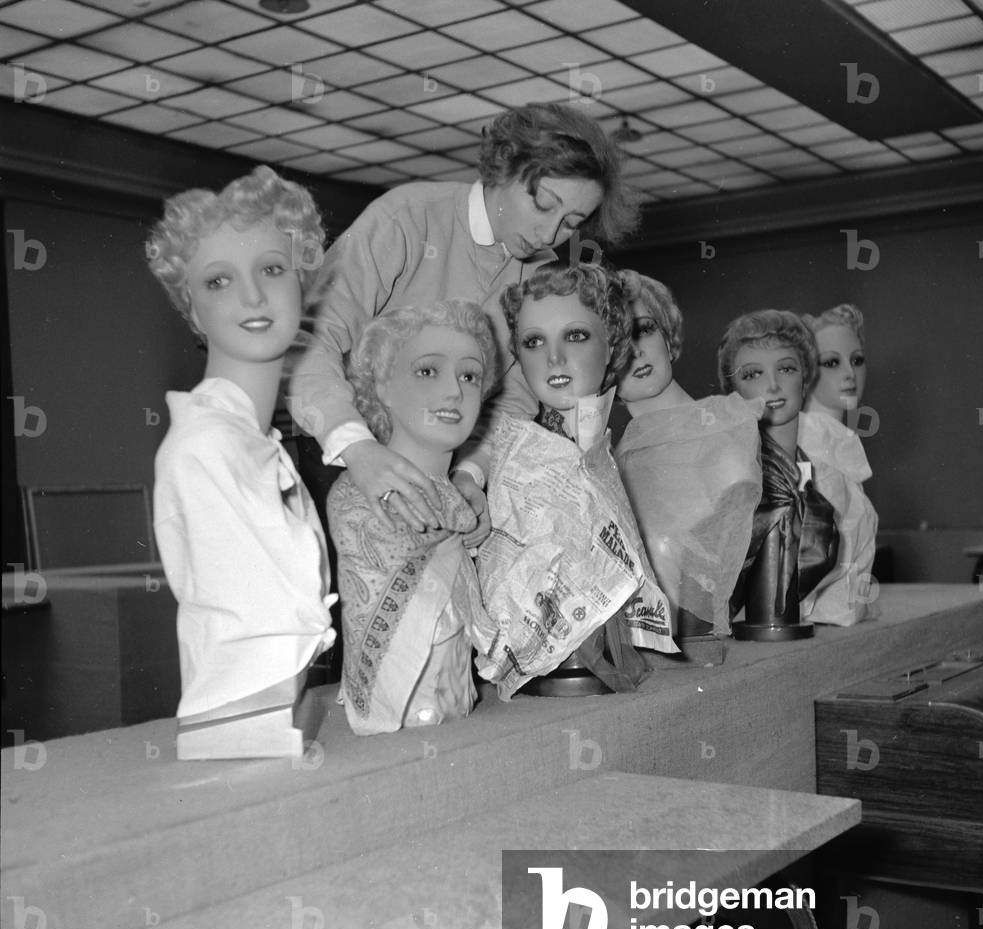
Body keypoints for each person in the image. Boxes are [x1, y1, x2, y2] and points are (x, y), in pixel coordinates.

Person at [289, 102, 639, 543]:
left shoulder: (542, 276)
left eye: (571, 222)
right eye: (543, 203)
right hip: (339, 451)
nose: (550, 234)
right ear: (505, 166)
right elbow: (312, 339)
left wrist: (473, 473)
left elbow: (513, 397)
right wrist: (357, 448)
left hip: (442, 467)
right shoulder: (407, 217)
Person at [148, 165, 337, 757]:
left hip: (275, 715)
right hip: (238, 720)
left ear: (301, 284)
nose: (253, 296)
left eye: (272, 269)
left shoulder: (254, 442)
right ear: (193, 312)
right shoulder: (205, 449)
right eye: (219, 281)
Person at [474, 263, 676, 698]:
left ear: (613, 344)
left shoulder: (604, 455)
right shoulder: (514, 459)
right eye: (533, 342)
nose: (554, 359)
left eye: (576, 335)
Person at [326, 301, 499, 735]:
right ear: (382, 384)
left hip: (456, 704)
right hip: (401, 711)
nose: (454, 392)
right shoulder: (359, 494)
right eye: (427, 371)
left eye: (469, 376)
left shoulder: (460, 500)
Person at [614, 271, 761, 636]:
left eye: (643, 330)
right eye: (614, 342)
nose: (634, 351)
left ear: (667, 334)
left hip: (698, 645)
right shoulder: (612, 462)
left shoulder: (725, 434)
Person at [718, 311, 839, 635]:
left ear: (806, 376)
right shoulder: (737, 475)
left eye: (785, 368)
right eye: (752, 374)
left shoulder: (804, 471)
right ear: (733, 390)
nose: (772, 385)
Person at [800, 303, 878, 625]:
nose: (849, 373)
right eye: (831, 362)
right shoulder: (807, 447)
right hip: (813, 621)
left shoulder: (838, 444)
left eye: (856, 360)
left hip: (840, 617)